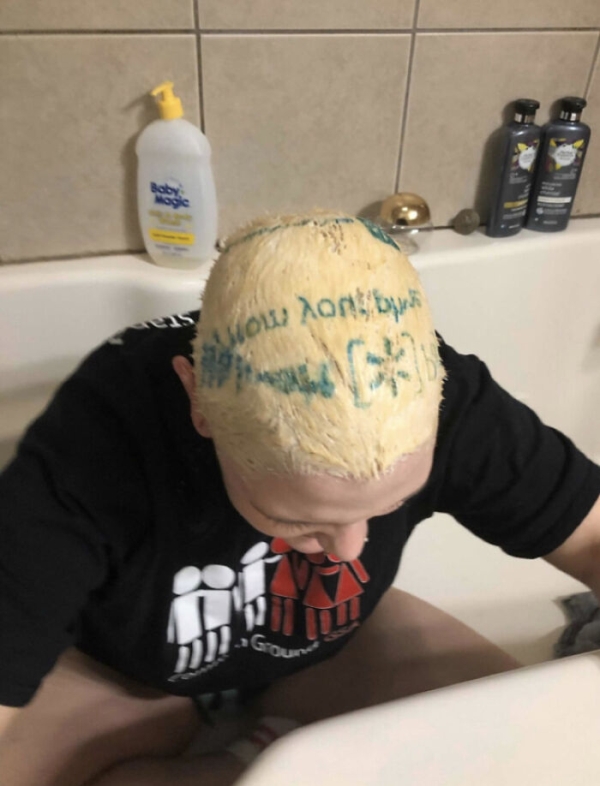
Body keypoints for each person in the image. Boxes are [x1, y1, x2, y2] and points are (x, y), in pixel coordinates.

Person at [2, 209, 600, 786]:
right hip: (125, 679)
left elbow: (591, 535)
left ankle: (246, 753)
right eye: (298, 520)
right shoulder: (96, 442)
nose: (350, 550)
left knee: (530, 749)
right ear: (199, 405)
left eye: (387, 507)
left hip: (334, 646)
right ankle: (249, 749)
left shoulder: (435, 389)